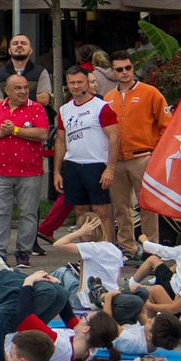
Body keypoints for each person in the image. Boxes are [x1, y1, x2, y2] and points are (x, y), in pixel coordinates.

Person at [0, 72, 54, 261]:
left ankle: (23, 252)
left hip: (30, 171)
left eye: (25, 88)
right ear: (7, 91)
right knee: (0, 212)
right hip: (0, 171)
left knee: (28, 214)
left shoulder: (36, 109)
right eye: (18, 88)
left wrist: (14, 130)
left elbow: (42, 134)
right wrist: (1, 134)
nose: (23, 92)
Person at [109, 50, 174, 244]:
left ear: (133, 68)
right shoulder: (107, 98)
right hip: (117, 159)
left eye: (128, 67)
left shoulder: (150, 92)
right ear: (113, 72)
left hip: (143, 156)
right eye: (119, 69)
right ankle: (126, 246)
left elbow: (167, 124)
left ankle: (150, 247)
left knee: (147, 205)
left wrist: (158, 154)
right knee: (121, 207)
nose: (125, 72)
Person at [56, 65, 121, 244]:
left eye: (79, 82)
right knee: (80, 210)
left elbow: (114, 138)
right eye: (72, 83)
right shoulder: (64, 110)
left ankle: (107, 248)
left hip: (96, 164)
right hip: (73, 164)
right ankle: (86, 250)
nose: (76, 86)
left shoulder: (102, 107)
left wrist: (110, 168)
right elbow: (61, 141)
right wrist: (56, 172)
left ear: (87, 83)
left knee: (101, 211)